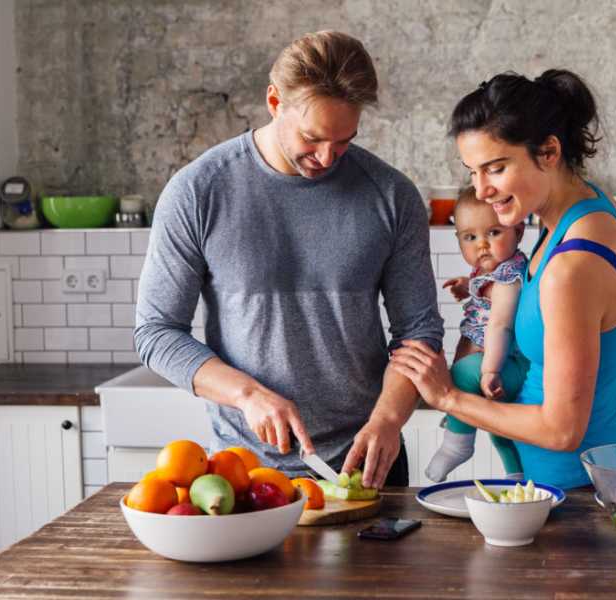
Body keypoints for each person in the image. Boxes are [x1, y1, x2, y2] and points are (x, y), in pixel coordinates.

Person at [134, 31, 444, 489]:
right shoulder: (198, 191)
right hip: (244, 472)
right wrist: (248, 395)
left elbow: (418, 333)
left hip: (366, 469)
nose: (327, 157)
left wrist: (388, 420)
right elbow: (157, 333)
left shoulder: (391, 196)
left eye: (343, 141)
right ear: (274, 101)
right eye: (313, 137)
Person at [390, 69, 616, 489]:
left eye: (496, 168)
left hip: (582, 490)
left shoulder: (571, 266)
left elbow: (562, 430)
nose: (481, 190)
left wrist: (448, 397)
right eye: (473, 172)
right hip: (594, 472)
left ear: (548, 152)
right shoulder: (586, 207)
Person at [424, 185, 529, 482]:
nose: (482, 244)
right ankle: (518, 478)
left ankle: (457, 444)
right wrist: (466, 285)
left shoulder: (509, 278)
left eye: (493, 233)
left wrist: (489, 370)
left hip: (510, 362)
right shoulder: (495, 269)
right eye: (470, 237)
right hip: (500, 359)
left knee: (459, 374)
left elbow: (500, 325)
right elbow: (484, 286)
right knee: (501, 430)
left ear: (518, 232)